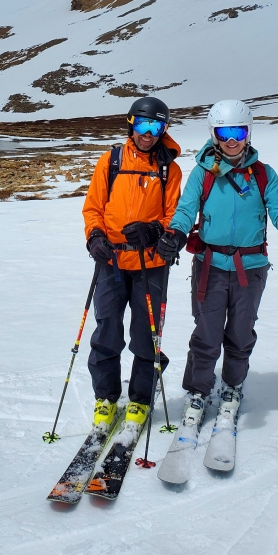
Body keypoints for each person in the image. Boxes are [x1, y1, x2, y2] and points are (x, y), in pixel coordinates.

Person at [157, 99, 278, 428]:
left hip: (251, 268)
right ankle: (198, 391)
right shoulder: (203, 173)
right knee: (206, 333)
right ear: (214, 134)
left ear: (248, 133)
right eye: (224, 132)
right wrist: (175, 235)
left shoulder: (263, 174)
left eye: (238, 131)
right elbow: (185, 210)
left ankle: (232, 387)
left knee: (240, 333)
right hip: (210, 266)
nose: (231, 140)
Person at [82, 97, 182, 428]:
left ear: (164, 129)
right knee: (107, 329)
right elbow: (93, 207)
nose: (148, 133)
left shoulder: (170, 169)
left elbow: (175, 217)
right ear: (130, 124)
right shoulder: (110, 161)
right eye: (142, 124)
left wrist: (154, 230)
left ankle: (140, 399)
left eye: (156, 126)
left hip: (150, 263)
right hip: (110, 259)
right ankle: (106, 398)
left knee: (146, 333)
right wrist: (94, 236)